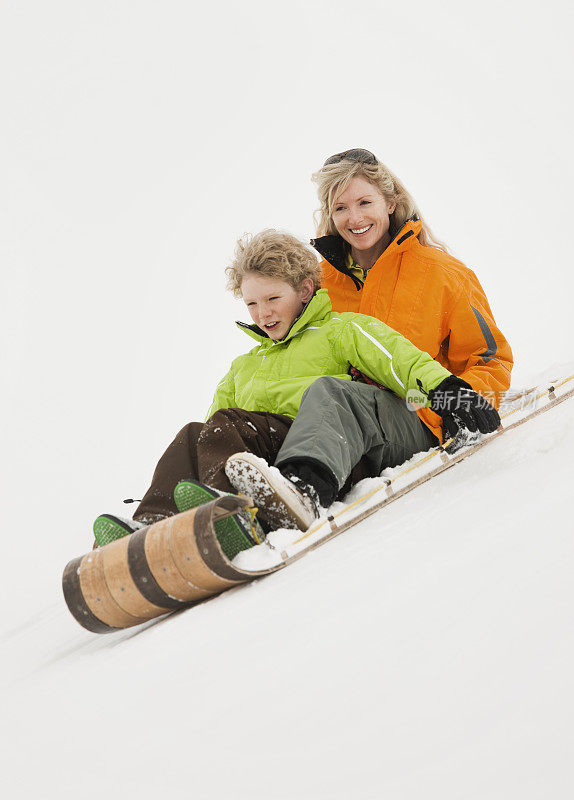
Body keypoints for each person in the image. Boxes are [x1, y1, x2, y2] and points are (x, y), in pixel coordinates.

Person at [95, 230, 500, 552]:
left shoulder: (338, 330)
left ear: (304, 291)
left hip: (334, 452)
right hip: (269, 465)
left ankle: (281, 496)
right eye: (252, 303)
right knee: (199, 432)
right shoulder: (243, 367)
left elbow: (396, 358)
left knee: (328, 391)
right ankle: (152, 524)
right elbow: (211, 434)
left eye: (273, 298)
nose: (263, 313)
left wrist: (448, 391)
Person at [303, 147, 513, 446]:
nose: (354, 218)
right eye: (340, 208)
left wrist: (458, 405)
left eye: (365, 202)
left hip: (413, 409)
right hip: (328, 418)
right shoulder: (318, 284)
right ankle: (221, 487)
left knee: (335, 397)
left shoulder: (441, 273)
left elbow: (489, 359)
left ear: (390, 202)